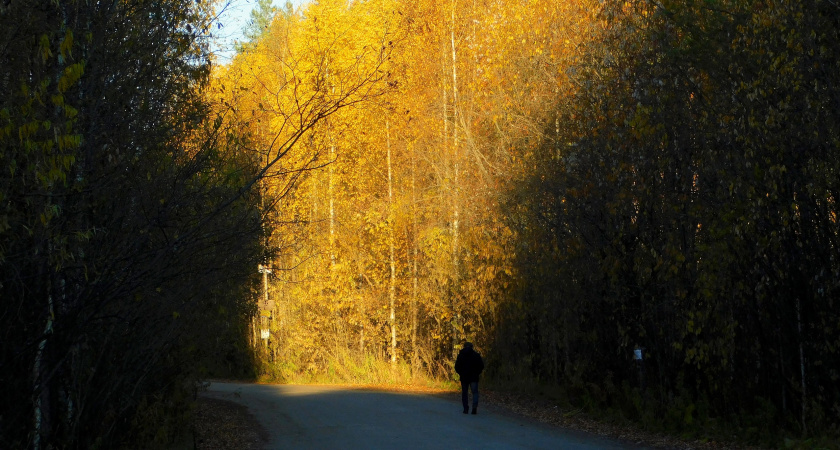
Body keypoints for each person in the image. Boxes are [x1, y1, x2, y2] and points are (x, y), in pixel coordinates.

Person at [454, 342, 484, 415]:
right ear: (472, 347)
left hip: (464, 377)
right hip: (474, 377)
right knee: (475, 392)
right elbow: (481, 366)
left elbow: (457, 366)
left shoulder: (461, 355)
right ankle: (474, 407)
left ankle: (466, 409)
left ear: (464, 347)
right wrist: (477, 373)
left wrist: (461, 373)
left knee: (465, 393)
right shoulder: (476, 355)